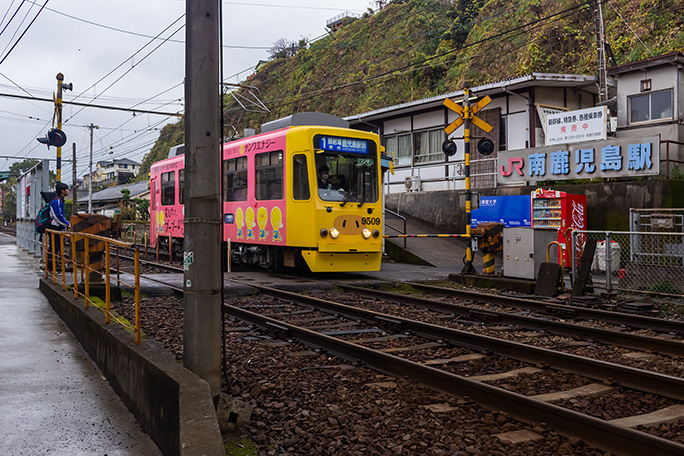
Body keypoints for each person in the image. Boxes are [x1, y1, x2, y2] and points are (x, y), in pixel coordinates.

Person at [47, 182, 70, 270]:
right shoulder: (57, 201)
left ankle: (52, 267)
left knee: (56, 247)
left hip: (55, 227)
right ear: (62, 191)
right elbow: (58, 216)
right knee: (54, 248)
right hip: (54, 227)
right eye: (66, 189)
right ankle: (50, 268)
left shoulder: (58, 200)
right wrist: (67, 223)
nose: (68, 191)